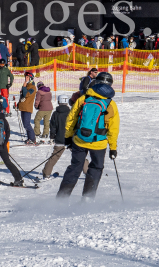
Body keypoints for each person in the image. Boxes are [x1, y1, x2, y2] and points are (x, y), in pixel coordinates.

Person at [57, 71, 120, 199]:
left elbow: (71, 119)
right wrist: (113, 147)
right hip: (99, 143)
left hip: (79, 140)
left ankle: (62, 198)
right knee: (96, 168)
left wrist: (68, 137)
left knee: (75, 167)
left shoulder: (84, 98)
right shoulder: (110, 104)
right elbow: (113, 128)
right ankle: (87, 198)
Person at [43, 93, 88, 180]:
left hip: (59, 139)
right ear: (67, 102)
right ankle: (87, 173)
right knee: (80, 156)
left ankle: (46, 174)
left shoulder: (55, 114)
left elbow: (53, 126)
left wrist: (52, 137)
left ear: (59, 102)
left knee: (54, 157)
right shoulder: (72, 112)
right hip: (71, 139)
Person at [16, 72, 38, 144]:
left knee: (27, 124)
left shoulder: (33, 88)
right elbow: (22, 97)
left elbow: (26, 94)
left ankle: (32, 139)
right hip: (23, 107)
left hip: (27, 108)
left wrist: (24, 87)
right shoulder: (26, 86)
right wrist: (18, 105)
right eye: (25, 77)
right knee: (25, 125)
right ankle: (29, 138)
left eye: (28, 77)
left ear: (31, 78)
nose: (26, 78)